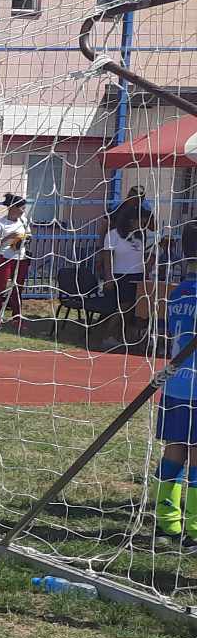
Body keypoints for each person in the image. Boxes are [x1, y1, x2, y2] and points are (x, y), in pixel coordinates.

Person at [153, 262, 197, 539]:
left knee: (175, 447)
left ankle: (167, 518)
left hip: (176, 382)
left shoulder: (178, 291)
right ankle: (193, 526)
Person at [102, 194, 154, 349]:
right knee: (122, 308)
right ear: (130, 220)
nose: (143, 223)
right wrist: (109, 277)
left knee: (133, 310)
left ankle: (121, 336)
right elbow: (107, 257)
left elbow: (144, 257)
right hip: (120, 276)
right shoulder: (113, 235)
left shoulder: (140, 236)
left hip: (138, 276)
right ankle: (107, 336)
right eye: (140, 220)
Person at [0, 192, 32, 331]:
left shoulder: (23, 220)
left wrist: (22, 240)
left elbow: (28, 235)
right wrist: (9, 238)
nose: (23, 210)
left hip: (21, 259)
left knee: (17, 290)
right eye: (22, 208)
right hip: (4, 258)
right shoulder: (0, 223)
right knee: (0, 289)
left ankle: (17, 319)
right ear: (13, 208)